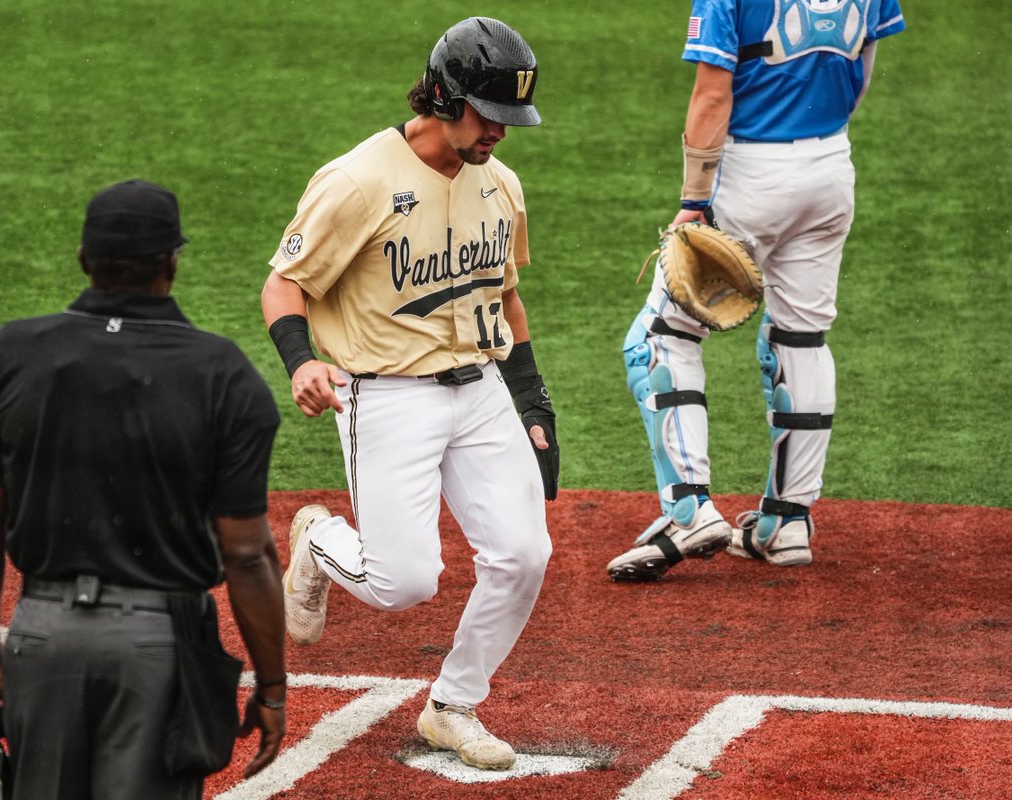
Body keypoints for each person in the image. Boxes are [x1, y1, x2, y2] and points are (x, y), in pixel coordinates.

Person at [260, 17, 556, 771]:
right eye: (488, 116)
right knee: (404, 583)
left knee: (524, 554)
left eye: (509, 119)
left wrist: (532, 401)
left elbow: (507, 299)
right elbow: (285, 283)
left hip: (481, 387)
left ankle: (453, 706)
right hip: (388, 394)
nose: (500, 133)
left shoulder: (501, 184)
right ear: (446, 96)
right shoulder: (358, 180)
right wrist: (301, 362)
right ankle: (319, 547)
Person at [0, 179, 287, 798]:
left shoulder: (9, 354)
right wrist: (271, 688)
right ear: (171, 263)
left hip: (41, 635)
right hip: (156, 648)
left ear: (84, 259)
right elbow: (247, 553)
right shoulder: (223, 375)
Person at [606, 0, 906, 581]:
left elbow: (713, 95)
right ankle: (786, 522)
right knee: (801, 336)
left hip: (748, 175)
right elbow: (864, 65)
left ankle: (688, 509)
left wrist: (694, 201)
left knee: (660, 335)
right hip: (831, 168)